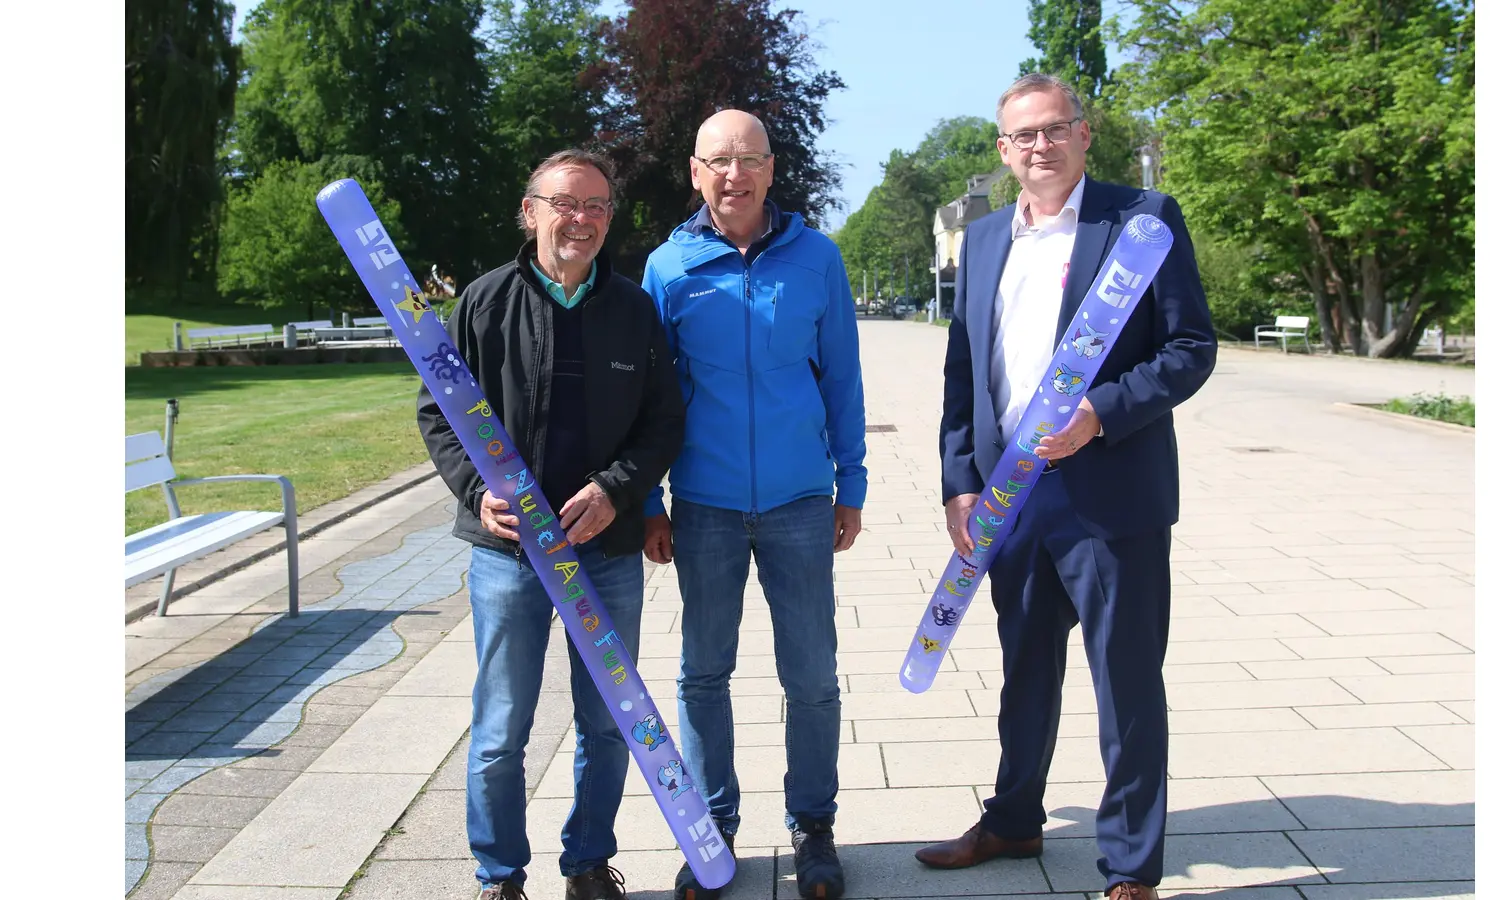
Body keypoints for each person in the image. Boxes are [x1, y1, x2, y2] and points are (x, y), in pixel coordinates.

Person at [914, 74, 1217, 900]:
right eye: (1023, 137)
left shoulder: (1142, 224)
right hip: (1009, 499)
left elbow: (1191, 348)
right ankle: (1014, 820)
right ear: (1004, 151)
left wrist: (1102, 413)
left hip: (1110, 493)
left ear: (1084, 136)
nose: (1040, 147)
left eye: (1055, 130)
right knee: (1025, 672)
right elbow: (962, 373)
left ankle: (1130, 868)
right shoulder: (980, 242)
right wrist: (957, 481)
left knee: (1124, 682)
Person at [418, 149, 685, 900]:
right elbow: (437, 412)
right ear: (530, 211)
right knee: (502, 732)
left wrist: (615, 491)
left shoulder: (635, 310)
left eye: (598, 206)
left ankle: (589, 862)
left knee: (608, 723)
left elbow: (664, 423)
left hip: (606, 550)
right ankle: (499, 876)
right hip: (507, 555)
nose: (583, 219)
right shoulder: (481, 302)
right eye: (567, 203)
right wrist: (476, 494)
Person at [639, 109, 867, 900]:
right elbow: (650, 398)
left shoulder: (818, 260)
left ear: (772, 169)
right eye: (718, 162)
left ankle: (814, 827)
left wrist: (853, 483)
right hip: (702, 505)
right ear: (695, 174)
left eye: (749, 160)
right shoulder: (667, 268)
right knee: (704, 673)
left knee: (811, 675)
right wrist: (649, 505)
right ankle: (713, 827)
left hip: (802, 501)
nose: (733, 175)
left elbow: (841, 378)